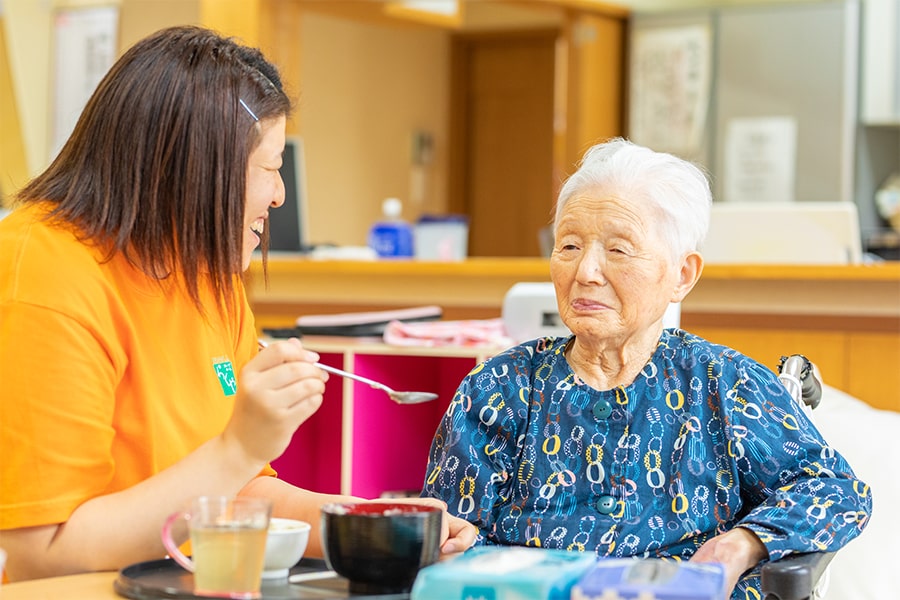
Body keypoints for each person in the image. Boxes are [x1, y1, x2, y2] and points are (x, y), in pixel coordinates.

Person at [0, 25, 474, 582]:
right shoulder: (41, 274)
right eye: (271, 168)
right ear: (197, 164)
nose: (278, 195)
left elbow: (235, 490)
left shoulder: (204, 271)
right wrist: (239, 445)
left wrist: (370, 526)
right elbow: (37, 554)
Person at [420, 138, 871, 598]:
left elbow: (836, 491)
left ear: (682, 275)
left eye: (618, 250)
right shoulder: (500, 386)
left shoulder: (722, 383)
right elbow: (455, 531)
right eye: (569, 245)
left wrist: (744, 544)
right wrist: (455, 542)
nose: (586, 271)